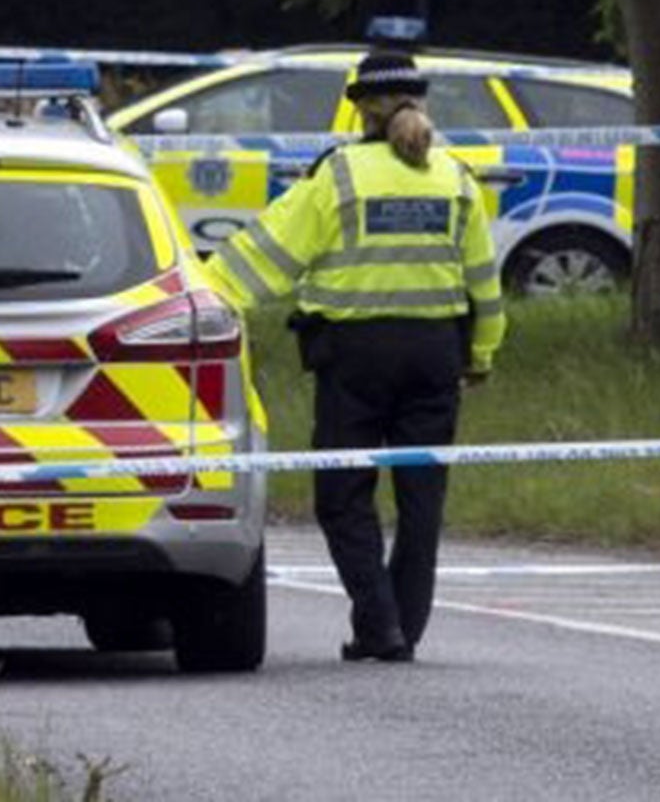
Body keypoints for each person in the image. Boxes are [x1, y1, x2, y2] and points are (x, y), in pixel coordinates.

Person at [200, 50, 505, 663]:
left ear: (359, 107)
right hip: (435, 356)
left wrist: (198, 295)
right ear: (421, 101)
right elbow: (484, 283)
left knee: (342, 496)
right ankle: (401, 630)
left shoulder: (336, 176)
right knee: (423, 501)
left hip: (356, 361)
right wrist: (482, 354)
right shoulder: (455, 177)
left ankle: (379, 623)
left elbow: (264, 256)